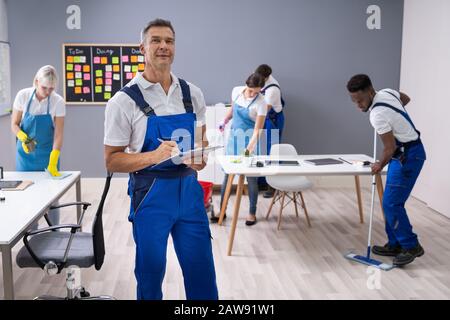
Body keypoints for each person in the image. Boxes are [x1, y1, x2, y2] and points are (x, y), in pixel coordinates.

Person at [104, 18, 218, 300]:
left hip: (190, 194)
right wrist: (153, 156)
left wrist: (200, 156)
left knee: (202, 270)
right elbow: (112, 160)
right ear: (142, 47)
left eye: (169, 41)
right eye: (156, 40)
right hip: (150, 196)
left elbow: (200, 141)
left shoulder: (192, 93)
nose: (163, 46)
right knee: (151, 273)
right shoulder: (123, 101)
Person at [347, 74, 426, 267]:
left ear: (370, 91)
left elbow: (388, 148)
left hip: (409, 156)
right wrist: (397, 119)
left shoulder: (377, 115)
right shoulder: (387, 93)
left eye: (360, 100)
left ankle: (411, 246)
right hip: (402, 154)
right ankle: (395, 244)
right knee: (389, 202)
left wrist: (378, 166)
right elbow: (405, 98)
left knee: (392, 203)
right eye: (354, 102)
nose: (358, 106)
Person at [11, 65, 65, 227]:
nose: (47, 92)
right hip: (25, 155)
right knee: (27, 195)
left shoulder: (58, 101)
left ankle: (55, 231)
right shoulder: (23, 96)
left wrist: (54, 158)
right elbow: (14, 124)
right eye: (44, 87)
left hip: (48, 154)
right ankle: (32, 233)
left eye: (51, 88)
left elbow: (58, 134)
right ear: (36, 81)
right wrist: (22, 137)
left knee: (53, 197)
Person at [217, 73, 267, 226]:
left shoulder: (262, 103)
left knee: (251, 179)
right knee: (227, 176)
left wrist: (248, 148)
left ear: (260, 89)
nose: (252, 94)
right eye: (250, 90)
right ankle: (222, 211)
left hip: (249, 141)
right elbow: (232, 111)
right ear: (246, 85)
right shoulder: (236, 91)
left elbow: (258, 130)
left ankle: (252, 213)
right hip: (233, 139)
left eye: (256, 91)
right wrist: (224, 121)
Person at [255, 64, 285, 199]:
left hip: (272, 119)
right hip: (265, 118)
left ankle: (274, 186)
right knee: (261, 150)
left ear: (266, 77)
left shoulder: (272, 89)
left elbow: (264, 109)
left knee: (272, 151)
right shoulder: (262, 81)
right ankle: (262, 182)